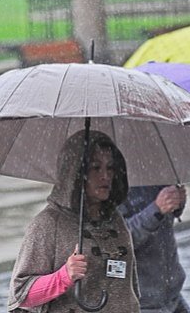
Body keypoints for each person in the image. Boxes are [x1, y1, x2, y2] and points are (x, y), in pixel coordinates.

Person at [8, 130, 140, 313]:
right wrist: (63, 277)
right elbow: (21, 294)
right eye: (95, 168)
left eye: (110, 168)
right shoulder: (48, 224)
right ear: (75, 173)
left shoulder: (115, 220)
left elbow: (130, 288)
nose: (105, 176)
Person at [118, 185, 190, 313]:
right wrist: (156, 209)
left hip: (172, 296)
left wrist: (177, 204)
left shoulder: (157, 178)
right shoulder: (114, 189)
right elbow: (119, 241)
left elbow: (165, 223)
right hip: (142, 302)